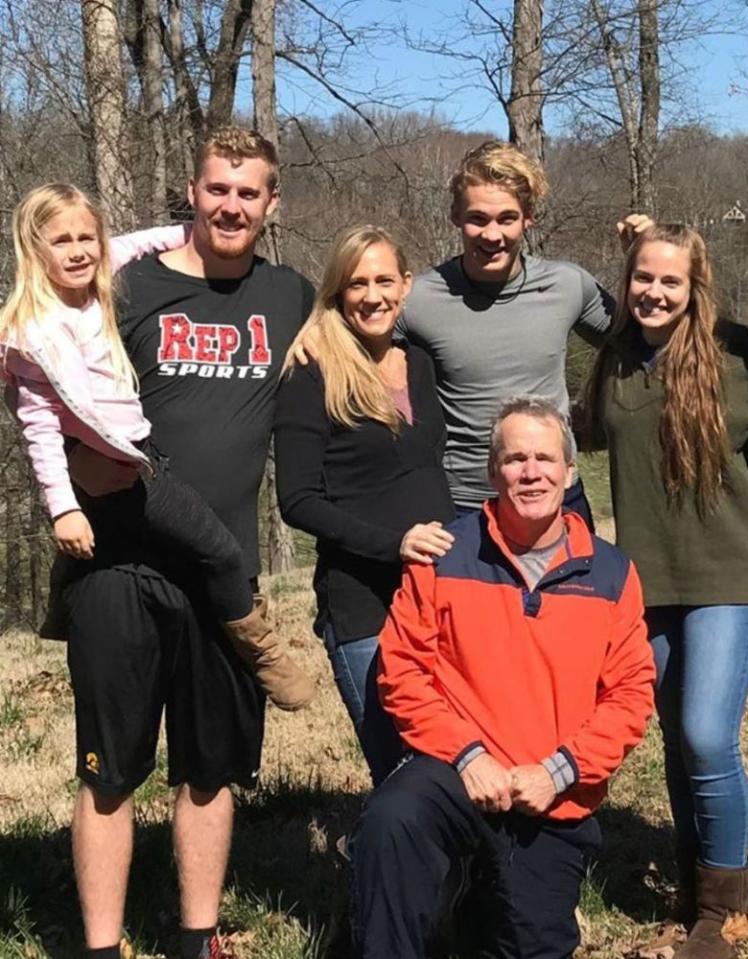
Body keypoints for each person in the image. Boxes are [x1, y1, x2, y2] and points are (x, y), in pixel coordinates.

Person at [58, 128, 315, 959]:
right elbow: (61, 399)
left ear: (271, 205)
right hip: (119, 566)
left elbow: (365, 355)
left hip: (227, 577)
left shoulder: (290, 296)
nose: (231, 205)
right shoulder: (126, 290)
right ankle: (101, 945)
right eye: (217, 189)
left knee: (209, 769)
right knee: (109, 771)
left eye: (248, 193)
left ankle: (195, 936)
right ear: (192, 194)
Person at [348, 394, 656, 959]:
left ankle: (464, 904)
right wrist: (467, 756)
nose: (531, 472)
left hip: (551, 796)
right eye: (515, 459)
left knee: (527, 943)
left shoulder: (612, 573)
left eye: (544, 459)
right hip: (455, 774)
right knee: (392, 821)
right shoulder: (444, 555)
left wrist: (559, 771)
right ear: (494, 472)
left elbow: (630, 695)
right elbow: (402, 671)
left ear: (569, 471)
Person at [0, 183, 313, 712]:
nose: (78, 250)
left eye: (87, 237)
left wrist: (198, 233)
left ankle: (61, 602)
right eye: (60, 241)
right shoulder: (35, 333)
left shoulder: (102, 281)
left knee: (190, 547)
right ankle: (261, 651)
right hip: (126, 471)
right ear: (34, 250)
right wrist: (65, 508)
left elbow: (142, 241)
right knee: (219, 548)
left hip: (138, 456)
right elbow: (40, 430)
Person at [580, 223, 748, 959]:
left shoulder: (737, 353)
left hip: (729, 571)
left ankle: (727, 911)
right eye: (642, 278)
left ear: (697, 287)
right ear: (625, 283)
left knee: (706, 733)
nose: (655, 292)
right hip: (648, 578)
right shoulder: (615, 359)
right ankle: (695, 896)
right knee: (674, 743)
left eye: (672, 280)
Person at [294, 141, 628, 526]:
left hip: (556, 496)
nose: (492, 234)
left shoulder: (569, 285)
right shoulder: (418, 299)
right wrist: (318, 332)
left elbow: (641, 341)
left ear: (529, 217)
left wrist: (647, 251)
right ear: (455, 214)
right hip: (465, 505)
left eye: (507, 218)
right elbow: (355, 330)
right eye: (478, 218)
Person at [274, 224, 455, 785]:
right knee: (403, 775)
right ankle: (380, 866)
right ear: (337, 293)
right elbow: (297, 500)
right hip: (363, 604)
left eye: (383, 280)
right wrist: (394, 544)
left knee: (451, 763)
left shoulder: (420, 361)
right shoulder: (313, 372)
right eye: (356, 283)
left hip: (439, 597)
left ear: (405, 286)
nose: (371, 296)